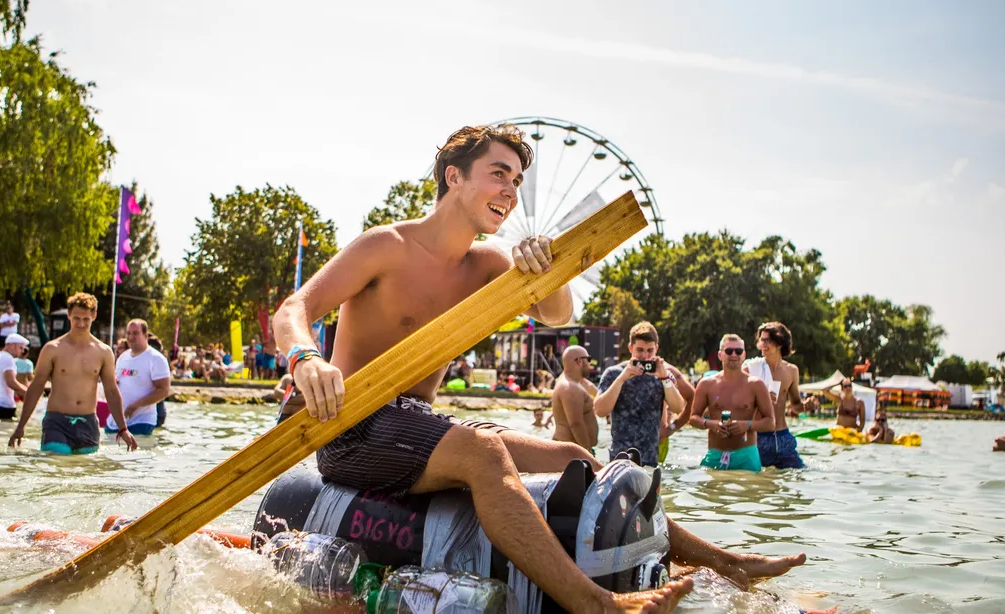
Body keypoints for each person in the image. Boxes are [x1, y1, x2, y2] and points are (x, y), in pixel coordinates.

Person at [274, 125, 803, 612]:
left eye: (517, 181)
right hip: (353, 427)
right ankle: (595, 604)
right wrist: (306, 359)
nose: (510, 190)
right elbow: (294, 310)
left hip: (417, 421)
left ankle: (724, 563)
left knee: (577, 458)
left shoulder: (487, 263)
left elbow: (557, 314)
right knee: (483, 453)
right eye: (498, 174)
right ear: (453, 177)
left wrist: (545, 268)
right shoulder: (386, 246)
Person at [9, 293, 137, 454]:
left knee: (84, 468)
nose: (81, 323)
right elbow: (36, 387)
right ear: (69, 315)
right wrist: (21, 426)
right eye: (76, 318)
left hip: (87, 422)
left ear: (94, 316)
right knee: (56, 461)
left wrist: (123, 428)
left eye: (86, 319)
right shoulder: (52, 349)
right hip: (57, 422)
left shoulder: (104, 352)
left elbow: (111, 391)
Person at [595, 322, 687, 466]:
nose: (645, 355)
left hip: (650, 461)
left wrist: (664, 378)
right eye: (640, 350)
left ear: (656, 348)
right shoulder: (614, 373)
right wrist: (621, 379)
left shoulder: (664, 374)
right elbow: (600, 411)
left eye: (650, 350)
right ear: (630, 348)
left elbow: (678, 407)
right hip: (619, 460)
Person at [687, 334, 773, 471]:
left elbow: (770, 422)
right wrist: (711, 424)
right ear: (720, 355)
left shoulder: (756, 384)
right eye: (729, 351)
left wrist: (747, 425)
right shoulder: (706, 384)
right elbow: (693, 418)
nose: (734, 355)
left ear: (744, 355)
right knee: (707, 484)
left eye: (738, 351)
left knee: (751, 485)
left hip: (746, 456)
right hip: (715, 454)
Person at [744, 322, 806, 469]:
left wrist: (806, 406)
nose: (763, 344)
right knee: (759, 481)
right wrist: (760, 399)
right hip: (760, 438)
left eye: (768, 340)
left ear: (780, 342)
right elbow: (739, 403)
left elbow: (796, 407)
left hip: (783, 437)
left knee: (801, 475)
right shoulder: (750, 368)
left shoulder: (791, 371)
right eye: (762, 340)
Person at [105, 319, 171, 437]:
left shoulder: (156, 358)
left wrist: (137, 405)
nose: (131, 337)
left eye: (135, 333)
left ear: (145, 335)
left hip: (141, 422)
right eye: (128, 333)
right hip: (116, 422)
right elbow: (119, 382)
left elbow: (164, 390)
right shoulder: (123, 357)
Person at [551, 345, 598, 454]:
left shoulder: (569, 383)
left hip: (570, 451)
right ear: (579, 361)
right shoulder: (570, 388)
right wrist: (587, 453)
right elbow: (576, 423)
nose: (589, 364)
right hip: (570, 453)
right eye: (588, 359)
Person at [0, 333, 30, 421]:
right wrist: (29, 393)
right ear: (11, 345)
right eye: (21, 347)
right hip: (3, 405)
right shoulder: (8, 359)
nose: (22, 351)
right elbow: (11, 382)